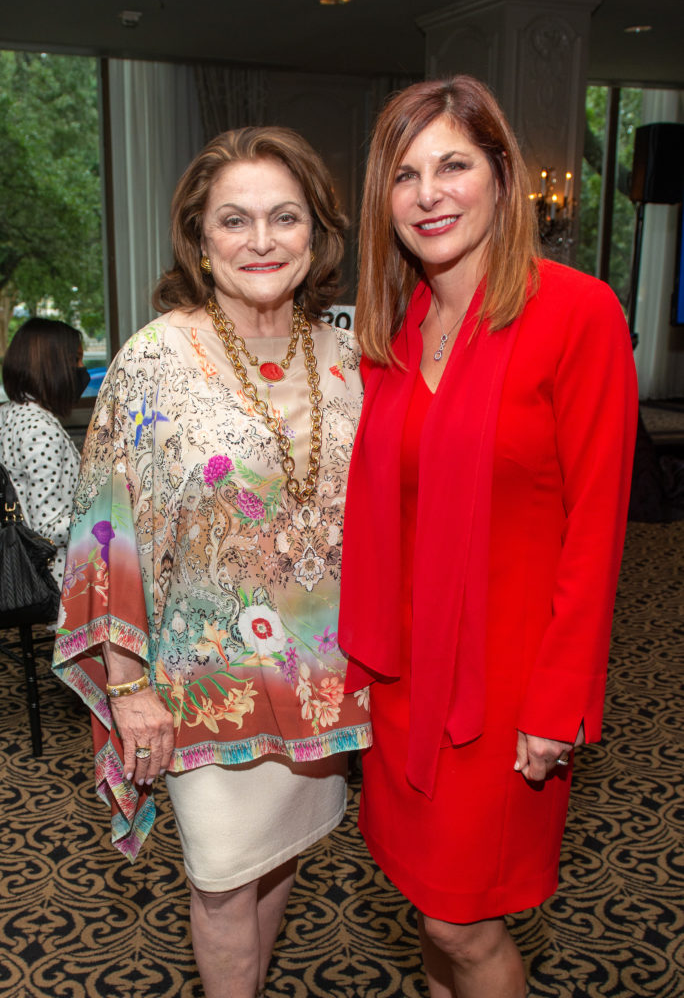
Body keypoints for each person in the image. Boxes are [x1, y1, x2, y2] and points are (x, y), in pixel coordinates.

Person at [52, 126, 371, 998]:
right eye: (235, 221)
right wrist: (128, 684)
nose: (261, 240)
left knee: (279, 863)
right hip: (197, 687)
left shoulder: (351, 362)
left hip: (322, 683)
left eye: (284, 217)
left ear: (318, 233)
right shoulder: (155, 359)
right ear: (199, 239)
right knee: (225, 880)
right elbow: (103, 533)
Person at [338, 76, 638, 998]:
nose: (429, 193)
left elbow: (597, 529)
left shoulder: (577, 313)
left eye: (454, 165)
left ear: (504, 178)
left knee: (459, 924)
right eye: (406, 174)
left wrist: (559, 702)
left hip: (507, 687)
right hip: (404, 678)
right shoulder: (396, 330)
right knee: (423, 898)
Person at [0, 317, 87, 590]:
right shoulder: (40, 429)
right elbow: (46, 529)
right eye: (76, 360)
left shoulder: (8, 412)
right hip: (57, 577)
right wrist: (103, 515)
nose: (82, 370)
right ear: (54, 366)